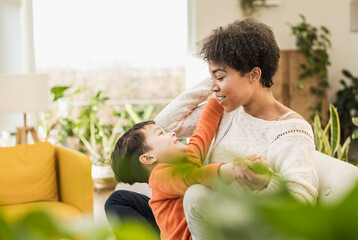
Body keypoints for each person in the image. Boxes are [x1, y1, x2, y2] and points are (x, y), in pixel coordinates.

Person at [153, 18, 319, 239]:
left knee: (195, 195)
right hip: (205, 219)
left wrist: (264, 183)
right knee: (125, 200)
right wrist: (216, 79)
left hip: (246, 229)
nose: (212, 87)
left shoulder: (291, 130)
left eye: (220, 77)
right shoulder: (229, 109)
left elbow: (302, 204)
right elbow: (166, 123)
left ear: (254, 75)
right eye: (211, 77)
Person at [109, 95, 270, 240]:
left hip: (188, 226)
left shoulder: (188, 159)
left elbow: (202, 132)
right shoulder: (159, 176)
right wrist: (234, 169)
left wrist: (216, 99)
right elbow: (193, 176)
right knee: (117, 199)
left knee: (118, 199)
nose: (171, 133)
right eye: (161, 133)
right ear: (149, 158)